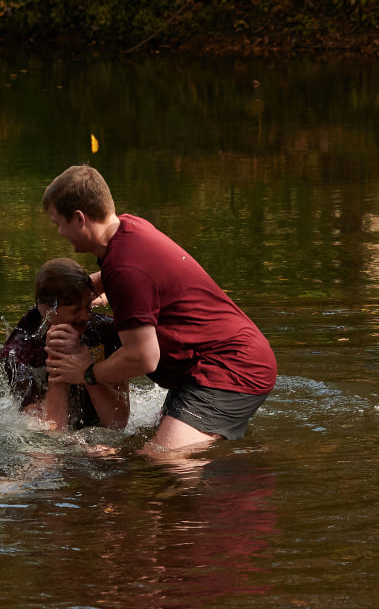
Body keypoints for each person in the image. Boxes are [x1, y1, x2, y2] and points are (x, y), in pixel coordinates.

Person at [42, 165, 277, 454]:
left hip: (232, 367)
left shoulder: (125, 268)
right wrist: (85, 291)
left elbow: (144, 357)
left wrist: (87, 372)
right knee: (144, 450)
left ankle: (229, 488)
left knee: (164, 459)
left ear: (79, 219)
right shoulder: (128, 230)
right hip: (202, 367)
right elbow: (139, 273)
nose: (59, 232)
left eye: (58, 223)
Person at [0, 257, 129, 431]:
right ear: (46, 309)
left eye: (88, 306)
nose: (85, 317)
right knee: (41, 457)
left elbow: (118, 423)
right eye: (76, 310)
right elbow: (51, 431)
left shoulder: (105, 331)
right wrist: (58, 358)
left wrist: (87, 371)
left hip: (95, 429)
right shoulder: (19, 353)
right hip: (54, 433)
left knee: (108, 453)